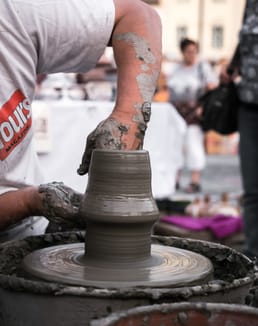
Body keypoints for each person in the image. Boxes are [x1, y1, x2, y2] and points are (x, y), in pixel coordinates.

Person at [0, 0, 162, 241]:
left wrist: (129, 117)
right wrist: (28, 201)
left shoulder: (13, 13)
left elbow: (138, 16)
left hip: (29, 226)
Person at [222, 0, 258, 260]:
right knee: (253, 190)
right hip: (249, 104)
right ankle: (254, 260)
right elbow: (245, 44)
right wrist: (233, 67)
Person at [167, 38, 218, 193]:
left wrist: (203, 105)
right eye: (189, 51)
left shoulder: (202, 68)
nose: (192, 55)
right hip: (176, 112)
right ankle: (174, 179)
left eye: (194, 51)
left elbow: (212, 88)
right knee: (174, 146)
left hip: (194, 113)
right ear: (183, 52)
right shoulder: (176, 69)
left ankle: (194, 181)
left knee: (193, 145)